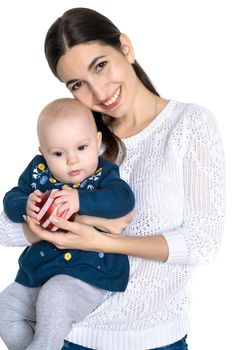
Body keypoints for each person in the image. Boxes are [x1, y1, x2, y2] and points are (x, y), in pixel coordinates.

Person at [0, 6, 225, 350]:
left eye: (100, 65)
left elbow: (204, 241)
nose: (100, 92)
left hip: (156, 341)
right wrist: (82, 220)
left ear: (125, 47)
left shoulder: (188, 126)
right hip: (65, 335)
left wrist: (103, 242)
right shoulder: (78, 141)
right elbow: (5, 227)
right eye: (78, 84)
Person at [0, 97, 135, 350]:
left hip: (88, 273)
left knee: (55, 296)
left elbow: (123, 200)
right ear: (43, 153)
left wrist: (80, 200)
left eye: (81, 148)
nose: (72, 160)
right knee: (4, 310)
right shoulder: (38, 172)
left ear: (97, 143)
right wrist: (24, 204)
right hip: (38, 272)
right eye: (59, 153)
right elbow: (11, 198)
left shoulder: (103, 175)